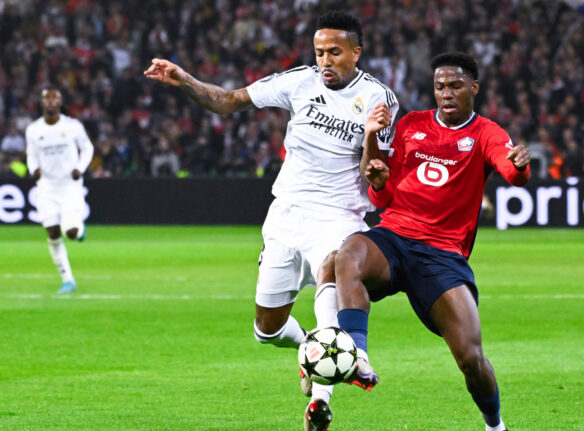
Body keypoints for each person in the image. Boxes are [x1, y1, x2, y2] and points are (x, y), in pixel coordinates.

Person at [144, 11, 398, 431]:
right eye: (320, 52)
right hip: (285, 215)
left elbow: (375, 174)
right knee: (267, 329)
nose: (325, 60)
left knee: (333, 267)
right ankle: (309, 352)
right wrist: (184, 80)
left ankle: (322, 396)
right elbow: (227, 101)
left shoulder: (378, 98)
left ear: (357, 52)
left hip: (339, 214)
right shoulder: (299, 81)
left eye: (335, 52)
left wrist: (371, 134)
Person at [333, 52, 530, 431]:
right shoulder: (411, 125)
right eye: (440, 86)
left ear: (474, 88)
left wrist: (519, 166)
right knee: (348, 254)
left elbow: (511, 170)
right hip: (394, 236)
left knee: (471, 359)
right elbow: (382, 197)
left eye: (456, 86)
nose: (446, 93)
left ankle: (495, 425)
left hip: (441, 254)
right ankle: (357, 355)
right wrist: (375, 174)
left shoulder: (486, 133)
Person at [25, 88, 94, 293]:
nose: (51, 101)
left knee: (70, 233)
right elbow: (31, 155)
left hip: (69, 187)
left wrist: (79, 169)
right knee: (53, 232)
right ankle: (68, 279)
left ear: (60, 102)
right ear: (42, 102)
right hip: (46, 187)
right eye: (47, 98)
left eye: (55, 98)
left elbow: (88, 148)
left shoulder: (72, 126)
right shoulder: (33, 130)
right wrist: (33, 169)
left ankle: (80, 231)